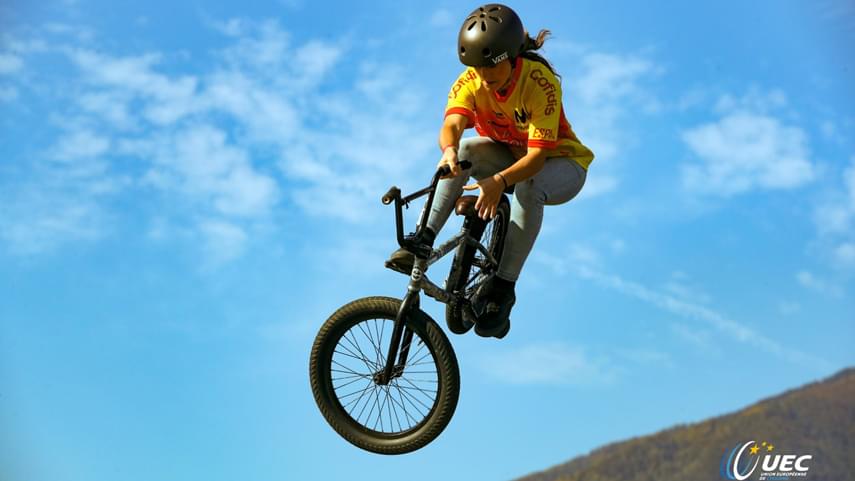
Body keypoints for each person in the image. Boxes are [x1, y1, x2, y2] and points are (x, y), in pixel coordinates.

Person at [387, 3, 594, 338]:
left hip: (562, 165)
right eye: (478, 67)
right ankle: (422, 240)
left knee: (528, 185)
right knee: (466, 150)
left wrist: (498, 181)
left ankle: (503, 289)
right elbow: (452, 125)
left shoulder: (539, 83)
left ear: (512, 57)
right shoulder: (471, 81)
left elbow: (537, 159)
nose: (484, 76)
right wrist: (449, 150)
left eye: (492, 67)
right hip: (511, 157)